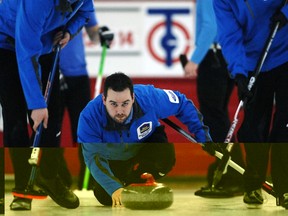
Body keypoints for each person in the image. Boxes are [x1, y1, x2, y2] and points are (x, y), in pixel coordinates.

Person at [0, 0, 96, 210]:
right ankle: (23, 188)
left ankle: (49, 177)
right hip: (6, 43)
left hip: (46, 42)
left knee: (52, 115)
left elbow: (86, 13)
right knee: (15, 117)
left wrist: (69, 32)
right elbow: (26, 52)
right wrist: (36, 104)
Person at [77, 72, 218, 207]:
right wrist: (114, 188)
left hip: (147, 142)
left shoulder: (149, 98)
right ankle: (125, 185)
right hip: (114, 156)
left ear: (133, 98)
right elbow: (93, 157)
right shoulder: (89, 117)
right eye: (113, 104)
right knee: (104, 196)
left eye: (125, 103)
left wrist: (203, 137)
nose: (120, 111)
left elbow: (182, 103)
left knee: (164, 158)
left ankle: (138, 182)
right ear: (104, 100)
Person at [213, 0, 288, 209]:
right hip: (254, 62)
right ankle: (254, 184)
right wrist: (239, 74)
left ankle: (285, 188)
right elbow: (229, 36)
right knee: (254, 126)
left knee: (285, 124)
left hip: (286, 52)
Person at [183, 0, 245, 198]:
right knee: (219, 116)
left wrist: (195, 59)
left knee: (213, 116)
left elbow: (210, 26)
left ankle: (234, 173)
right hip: (227, 55)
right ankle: (229, 170)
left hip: (213, 56)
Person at [59, 9, 114, 189]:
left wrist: (102, 34)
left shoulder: (81, 3)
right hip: (50, 72)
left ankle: (89, 179)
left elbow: (93, 32)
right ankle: (57, 179)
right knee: (51, 130)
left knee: (85, 130)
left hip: (78, 73)